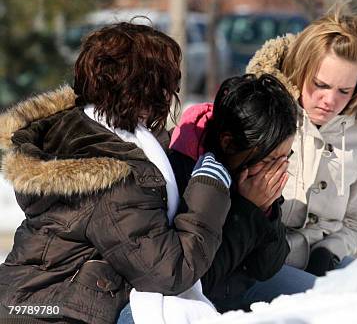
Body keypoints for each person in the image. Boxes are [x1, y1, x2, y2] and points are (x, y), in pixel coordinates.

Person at [0, 22, 232, 324]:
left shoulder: (77, 130)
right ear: (143, 90)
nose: (170, 93)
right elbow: (170, 271)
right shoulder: (111, 179)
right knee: (174, 312)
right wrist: (210, 185)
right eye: (166, 84)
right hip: (54, 314)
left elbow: (147, 161)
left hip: (28, 302)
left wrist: (184, 147)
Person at [245, 6, 357, 287]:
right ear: (299, 71)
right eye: (320, 84)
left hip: (321, 260)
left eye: (344, 91)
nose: (329, 100)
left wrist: (329, 252)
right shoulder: (261, 114)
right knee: (329, 307)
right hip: (255, 262)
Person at [165, 73, 299, 313]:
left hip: (244, 286)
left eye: (284, 158)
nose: (277, 169)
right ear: (228, 143)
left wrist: (265, 210)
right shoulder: (182, 172)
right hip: (196, 299)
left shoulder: (257, 172)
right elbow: (199, 280)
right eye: (270, 159)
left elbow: (267, 267)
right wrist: (247, 209)